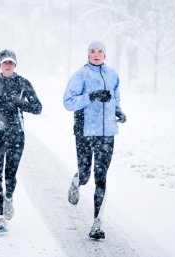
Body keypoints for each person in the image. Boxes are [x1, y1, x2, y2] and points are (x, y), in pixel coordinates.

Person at [63, 41, 126, 239]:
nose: (96, 54)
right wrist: (91, 96)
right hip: (84, 132)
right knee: (85, 175)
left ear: (105, 55)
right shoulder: (80, 75)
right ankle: (76, 181)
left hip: (107, 134)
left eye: (100, 51)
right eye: (92, 51)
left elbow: (115, 98)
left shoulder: (112, 75)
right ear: (88, 54)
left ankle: (97, 223)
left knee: (101, 178)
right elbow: (68, 102)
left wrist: (118, 112)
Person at [0, 49, 42, 233]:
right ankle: (0, 218)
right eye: (4, 62)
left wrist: (20, 103)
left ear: (15, 65)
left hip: (16, 135)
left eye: (11, 62)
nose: (7, 65)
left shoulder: (23, 82)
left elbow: (38, 108)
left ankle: (9, 197)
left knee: (10, 175)